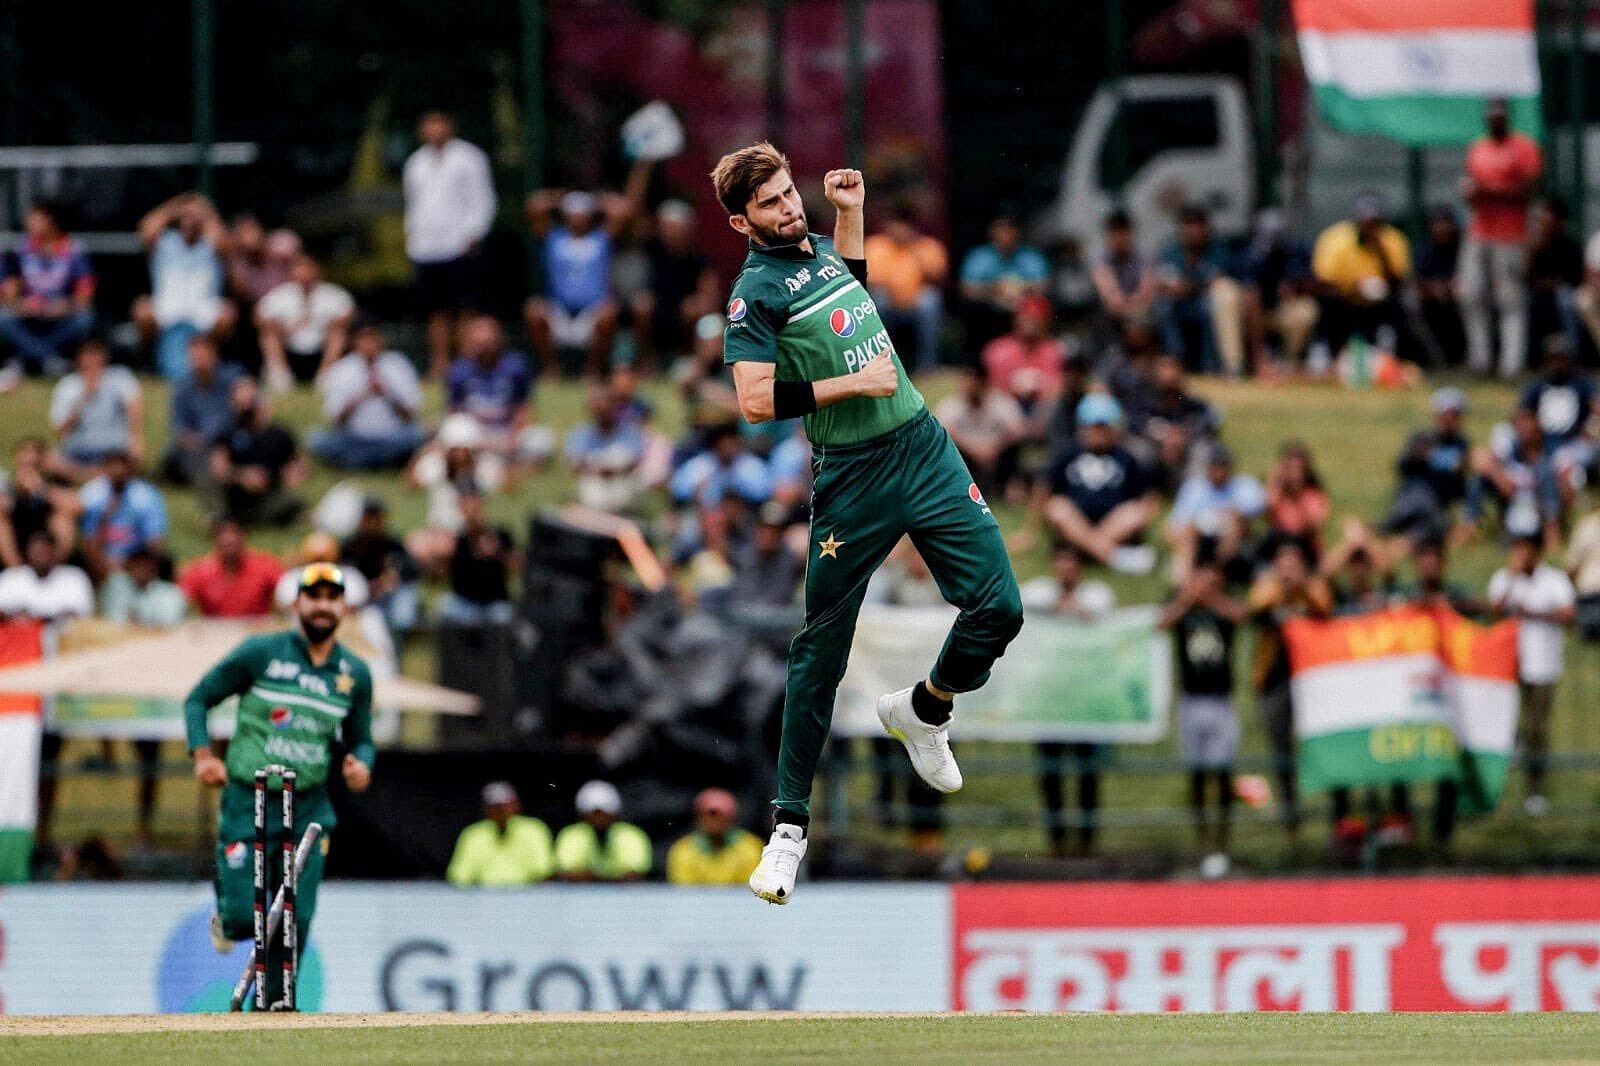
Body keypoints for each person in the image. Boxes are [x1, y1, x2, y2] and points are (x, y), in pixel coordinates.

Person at [712, 142, 1023, 903]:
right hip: (852, 477)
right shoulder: (753, 293)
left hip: (922, 446)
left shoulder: (817, 249)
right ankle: (787, 830)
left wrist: (849, 216)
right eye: (772, 204)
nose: (789, 209)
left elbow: (847, 296)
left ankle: (923, 709)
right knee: (819, 651)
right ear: (739, 222)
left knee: (1000, 609)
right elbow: (753, 402)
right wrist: (855, 380)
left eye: (790, 195)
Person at [183, 563, 374, 1008]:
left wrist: (361, 764)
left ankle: (270, 1008)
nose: (323, 605)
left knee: (295, 916)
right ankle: (225, 920)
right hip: (246, 801)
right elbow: (198, 698)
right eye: (314, 595)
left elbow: (362, 739)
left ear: (343, 606)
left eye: (332, 597)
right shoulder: (262, 653)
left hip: (308, 807)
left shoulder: (354, 673)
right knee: (241, 917)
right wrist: (203, 755)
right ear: (296, 603)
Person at [1019, 542, 1114, 858]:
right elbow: (1022, 605)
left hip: (1085, 700)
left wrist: (1071, 609)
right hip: (1050, 698)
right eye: (1061, 562)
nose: (1066, 569)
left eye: (1071, 563)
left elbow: (1104, 619)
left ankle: (1088, 842)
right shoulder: (1038, 591)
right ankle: (1056, 841)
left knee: (1088, 774)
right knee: (1051, 775)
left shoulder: (1097, 594)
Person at [1159, 556, 1245, 878]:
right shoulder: (1185, 612)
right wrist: (1186, 598)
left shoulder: (1221, 611)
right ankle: (1202, 842)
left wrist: (1210, 598)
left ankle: (1222, 843)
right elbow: (1162, 622)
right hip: (1191, 700)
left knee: (1223, 774)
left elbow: (1240, 616)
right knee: (1196, 775)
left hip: (1221, 700)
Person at [523, 163, 650, 377]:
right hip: (559, 311)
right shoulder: (553, 238)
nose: (578, 217)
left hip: (592, 314)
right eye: (573, 212)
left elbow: (625, 210)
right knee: (533, 309)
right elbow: (534, 205)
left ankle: (593, 369)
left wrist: (597, 200)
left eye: (582, 212)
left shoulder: (602, 239)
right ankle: (551, 368)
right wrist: (562, 197)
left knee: (609, 311)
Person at [1248, 535, 1333, 839]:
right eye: (1282, 564)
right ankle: (1291, 819)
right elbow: (1255, 608)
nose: (1287, 569)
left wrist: (1302, 590)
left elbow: (1325, 609)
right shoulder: (1267, 586)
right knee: (1282, 751)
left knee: (1323, 745)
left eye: (1293, 563)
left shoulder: (1314, 587)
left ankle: (1332, 815)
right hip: (1275, 681)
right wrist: (1282, 588)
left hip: (1312, 680)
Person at [403, 111, 496, 377]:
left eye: (438, 123)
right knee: (436, 311)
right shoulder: (416, 162)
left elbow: (483, 199)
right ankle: (440, 364)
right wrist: (413, 238)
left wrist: (475, 233)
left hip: (460, 244)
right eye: (428, 124)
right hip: (426, 247)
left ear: (449, 126)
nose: (434, 130)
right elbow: (413, 204)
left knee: (466, 308)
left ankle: (466, 362)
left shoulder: (469, 158)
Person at [1489, 534, 1575, 817]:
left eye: (1523, 547)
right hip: (1510, 666)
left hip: (1543, 666)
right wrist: (1513, 579)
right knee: (1505, 727)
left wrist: (1532, 613)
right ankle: (1498, 790)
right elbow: (1494, 612)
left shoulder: (1554, 580)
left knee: (1537, 729)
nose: (1518, 553)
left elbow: (1567, 615)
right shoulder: (1504, 578)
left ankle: (1535, 790)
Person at [1458, 97, 1542, 378]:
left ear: (1507, 117)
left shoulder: (1523, 148)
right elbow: (1471, 189)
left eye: (1499, 114)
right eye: (1490, 115)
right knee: (1470, 294)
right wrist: (1471, 193)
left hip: (1510, 235)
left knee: (1510, 299)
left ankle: (1511, 364)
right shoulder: (1478, 148)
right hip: (1479, 231)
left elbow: (1527, 191)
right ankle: (1480, 360)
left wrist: (1489, 190)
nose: (1495, 119)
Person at [1042, 393, 1159, 575]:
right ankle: (1115, 557)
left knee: (1134, 512)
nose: (1098, 434)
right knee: (1058, 508)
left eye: (1103, 428)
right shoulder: (1068, 455)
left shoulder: (1126, 459)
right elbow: (1048, 491)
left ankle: (1088, 550)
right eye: (1093, 428)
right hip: (1076, 521)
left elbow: (1144, 498)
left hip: (1112, 524)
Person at [133, 193, 236, 380]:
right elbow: (146, 229)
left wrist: (204, 211)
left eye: (193, 218)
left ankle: (211, 362)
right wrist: (176, 206)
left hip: (202, 310)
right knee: (142, 309)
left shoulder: (211, 245)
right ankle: (147, 362)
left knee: (227, 314)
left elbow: (223, 242)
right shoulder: (165, 243)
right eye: (185, 217)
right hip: (167, 308)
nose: (188, 221)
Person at [311, 319, 426, 470]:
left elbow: (411, 416)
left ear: (381, 339)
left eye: (373, 338)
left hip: (391, 436)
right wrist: (360, 398)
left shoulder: (398, 364)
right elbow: (336, 422)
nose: (369, 343)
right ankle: (380, 461)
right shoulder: (342, 369)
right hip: (354, 438)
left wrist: (387, 395)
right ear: (355, 341)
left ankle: (361, 461)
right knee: (316, 439)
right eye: (364, 338)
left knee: (417, 435)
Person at [0, 200, 96, 378]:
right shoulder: (19, 249)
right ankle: (51, 361)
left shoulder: (74, 249)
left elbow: (85, 296)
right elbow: (7, 295)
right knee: (3, 318)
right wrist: (24, 304)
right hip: (29, 315)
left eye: (34, 217)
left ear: (50, 220)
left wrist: (63, 306)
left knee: (84, 319)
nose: (28, 222)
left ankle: (29, 360)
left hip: (62, 314)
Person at [1311, 193, 1411, 357]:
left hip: (1379, 302)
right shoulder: (1335, 237)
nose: (1369, 227)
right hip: (1343, 299)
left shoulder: (1393, 239)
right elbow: (1322, 281)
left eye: (1374, 222)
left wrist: (1380, 251)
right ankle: (1326, 354)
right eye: (1366, 221)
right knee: (1327, 306)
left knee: (1398, 307)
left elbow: (1397, 281)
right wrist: (1352, 288)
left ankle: (1391, 356)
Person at [631, 199, 720, 369]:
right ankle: (646, 360)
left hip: (686, 312)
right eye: (668, 227)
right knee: (641, 306)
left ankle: (689, 360)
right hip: (658, 309)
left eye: (677, 227)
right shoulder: (651, 251)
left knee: (693, 309)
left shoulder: (698, 257)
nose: (672, 232)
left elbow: (710, 293)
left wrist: (699, 302)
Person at [446, 315, 546, 466]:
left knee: (541, 439)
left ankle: (502, 464)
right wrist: (480, 439)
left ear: (498, 341)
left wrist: (512, 437)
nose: (484, 349)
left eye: (488, 343)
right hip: (476, 436)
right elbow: (454, 413)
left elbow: (523, 408)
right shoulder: (459, 370)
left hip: (507, 433)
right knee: (454, 428)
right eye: (479, 344)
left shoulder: (515, 366)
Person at [1381, 386, 1472, 551]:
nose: (1449, 419)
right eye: (1446, 414)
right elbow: (1401, 465)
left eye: (1455, 415)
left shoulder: (1462, 445)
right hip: (1412, 499)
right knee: (1400, 524)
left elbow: (1460, 485)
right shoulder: (1421, 438)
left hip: (1437, 506)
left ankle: (1401, 544)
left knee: (1434, 526)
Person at [207, 375, 305, 526]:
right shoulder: (227, 432)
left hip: (268, 493)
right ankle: (226, 519)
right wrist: (241, 476)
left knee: (292, 500)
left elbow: (296, 465)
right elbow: (218, 468)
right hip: (235, 494)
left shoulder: (279, 434)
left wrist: (284, 477)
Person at [1155, 206, 1242, 374]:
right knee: (1163, 307)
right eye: (1189, 225)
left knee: (1209, 307)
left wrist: (1188, 286)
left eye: (1198, 225)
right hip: (1178, 304)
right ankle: (1176, 361)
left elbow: (1216, 278)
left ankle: (1210, 365)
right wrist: (1176, 287)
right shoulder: (1171, 250)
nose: (1194, 231)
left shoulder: (1217, 249)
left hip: (1202, 302)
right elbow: (1163, 281)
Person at [864, 203, 948, 371]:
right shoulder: (876, 245)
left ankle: (927, 366)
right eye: (896, 224)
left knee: (931, 300)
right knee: (879, 298)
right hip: (888, 302)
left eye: (905, 225)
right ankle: (881, 364)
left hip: (916, 303)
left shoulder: (927, 246)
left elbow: (936, 279)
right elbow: (870, 281)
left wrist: (915, 251)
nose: (900, 230)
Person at [254, 253, 355, 389]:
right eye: (300, 268)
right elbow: (259, 317)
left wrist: (328, 325)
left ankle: (326, 378)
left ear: (317, 270)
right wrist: (281, 328)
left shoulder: (333, 294)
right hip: (290, 352)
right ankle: (281, 379)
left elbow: (349, 314)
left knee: (338, 333)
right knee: (269, 334)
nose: (304, 273)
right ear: (292, 272)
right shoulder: (280, 295)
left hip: (321, 351)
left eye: (308, 267)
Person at [1165, 445, 1264, 583]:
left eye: (1222, 466)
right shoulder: (1194, 487)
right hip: (1201, 538)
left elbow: (1257, 508)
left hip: (1236, 541)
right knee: (1186, 531)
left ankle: (1215, 571)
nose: (1219, 472)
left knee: (1235, 522)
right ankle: (1181, 584)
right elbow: (1174, 524)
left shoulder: (1244, 485)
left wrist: (1227, 516)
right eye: (1215, 466)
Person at [49, 339, 143, 481]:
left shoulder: (120, 378)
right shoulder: (67, 386)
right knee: (50, 459)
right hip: (79, 449)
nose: (93, 367)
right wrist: (82, 400)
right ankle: (100, 475)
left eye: (97, 362)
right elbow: (61, 430)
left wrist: (136, 439)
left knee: (130, 458)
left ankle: (87, 476)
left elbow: (135, 407)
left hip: (113, 448)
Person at [1241, 209, 1318, 370]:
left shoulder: (1297, 252)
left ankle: (1289, 364)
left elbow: (1315, 284)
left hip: (1282, 311)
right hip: (1256, 313)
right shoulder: (1252, 256)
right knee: (1249, 306)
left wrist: (1296, 286)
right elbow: (1251, 300)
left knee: (1306, 310)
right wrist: (1259, 358)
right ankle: (1245, 364)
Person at [935, 366, 1025, 500]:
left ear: (984, 382)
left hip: (996, 454)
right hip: (966, 457)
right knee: (948, 449)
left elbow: (1017, 431)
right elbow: (943, 433)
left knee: (1014, 448)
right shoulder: (950, 406)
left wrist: (993, 448)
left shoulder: (1002, 402)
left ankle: (1011, 486)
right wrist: (975, 450)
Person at [959, 213, 1049, 349]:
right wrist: (996, 290)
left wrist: (1016, 291)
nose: (1005, 234)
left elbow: (1043, 286)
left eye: (1009, 229)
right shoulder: (979, 256)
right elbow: (966, 289)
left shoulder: (1031, 256)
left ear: (1017, 232)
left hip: (1022, 307)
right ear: (992, 231)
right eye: (1001, 228)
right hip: (989, 309)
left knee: (1035, 309)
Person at [162, 333, 241, 486]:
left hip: (230, 446)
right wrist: (207, 449)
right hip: (200, 448)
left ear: (214, 355)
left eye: (202, 355)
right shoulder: (182, 388)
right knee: (173, 456)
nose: (197, 360)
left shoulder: (232, 380)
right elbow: (181, 433)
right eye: (194, 356)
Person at [78, 449, 168, 582]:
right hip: (101, 561)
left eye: (122, 464)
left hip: (135, 561)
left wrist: (133, 566)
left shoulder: (146, 495)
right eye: (113, 464)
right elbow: (88, 538)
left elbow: (155, 541)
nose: (117, 470)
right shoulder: (92, 493)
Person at [446, 781, 555, 887]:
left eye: (505, 805)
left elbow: (545, 872)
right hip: (482, 897)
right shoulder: (473, 834)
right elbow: (459, 876)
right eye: (495, 806)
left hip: (527, 896)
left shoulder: (534, 829)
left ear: (516, 804)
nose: (501, 810)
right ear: (486, 808)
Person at [341, 497, 421, 639]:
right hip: (364, 597)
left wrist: (394, 577)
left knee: (402, 614)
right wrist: (369, 586)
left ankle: (398, 637)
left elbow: (412, 571)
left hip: (390, 595)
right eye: (368, 517)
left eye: (376, 517)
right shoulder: (350, 545)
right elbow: (345, 576)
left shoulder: (392, 544)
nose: (372, 523)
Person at [565, 379, 648, 514]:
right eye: (597, 403)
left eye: (607, 402)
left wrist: (612, 470)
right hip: (593, 483)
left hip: (621, 482)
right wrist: (597, 470)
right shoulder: (580, 434)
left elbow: (634, 462)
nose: (602, 407)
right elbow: (575, 465)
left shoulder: (630, 432)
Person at [438, 487, 516, 625]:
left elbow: (518, 566)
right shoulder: (455, 540)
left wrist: (498, 553)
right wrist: (442, 558)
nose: (471, 510)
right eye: (466, 505)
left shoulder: (500, 534)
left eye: (474, 504)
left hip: (495, 602)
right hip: (465, 602)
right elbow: (439, 577)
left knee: (504, 618)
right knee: (445, 607)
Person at [179, 518, 284, 617]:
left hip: (257, 630)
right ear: (214, 539)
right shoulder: (201, 571)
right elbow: (178, 600)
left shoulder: (266, 567)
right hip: (215, 632)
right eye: (223, 534)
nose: (228, 539)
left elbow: (289, 591)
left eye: (233, 533)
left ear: (243, 536)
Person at [0, 437, 79, 568]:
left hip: (47, 535)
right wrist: (17, 492)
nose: (30, 457)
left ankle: (54, 570)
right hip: (17, 535)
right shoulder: (7, 484)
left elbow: (76, 507)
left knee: (63, 520)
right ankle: (17, 572)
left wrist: (42, 489)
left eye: (35, 452)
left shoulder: (53, 483)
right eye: (25, 452)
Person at [981, 295, 1066, 415]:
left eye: (1035, 319)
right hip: (1009, 409)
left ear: (1045, 322)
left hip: (1041, 408)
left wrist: (1036, 391)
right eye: (1025, 318)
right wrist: (1015, 390)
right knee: (998, 402)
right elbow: (992, 388)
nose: (1029, 324)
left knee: (1054, 404)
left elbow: (1058, 388)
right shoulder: (998, 349)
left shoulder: (1055, 350)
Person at [553, 780, 652, 882]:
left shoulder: (631, 835)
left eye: (604, 814)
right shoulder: (572, 835)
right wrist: (610, 877)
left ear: (615, 813)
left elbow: (635, 874)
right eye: (594, 814)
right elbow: (565, 873)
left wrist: (592, 876)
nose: (599, 819)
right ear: (583, 815)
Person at [666, 787, 764, 886]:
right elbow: (684, 893)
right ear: (699, 816)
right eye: (710, 814)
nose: (714, 821)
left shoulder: (751, 848)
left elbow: (750, 891)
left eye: (721, 815)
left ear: (731, 817)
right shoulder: (682, 850)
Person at [1525, 198, 1586, 358]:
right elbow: (1527, 277)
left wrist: (1553, 284)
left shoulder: (1570, 245)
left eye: (1548, 216)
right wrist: (1534, 249)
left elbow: (1574, 279)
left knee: (1565, 300)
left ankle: (1572, 355)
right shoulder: (1536, 246)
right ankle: (1530, 355)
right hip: (1537, 294)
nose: (1544, 221)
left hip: (1562, 293)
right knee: (1522, 300)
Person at [1090, 210, 1156, 332]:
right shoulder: (1100, 261)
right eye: (1114, 232)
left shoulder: (1144, 258)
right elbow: (1113, 300)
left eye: (1123, 232)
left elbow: (1147, 294)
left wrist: (1136, 310)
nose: (1119, 238)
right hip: (1114, 319)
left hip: (1142, 316)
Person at [1415, 207, 1465, 367]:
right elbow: (1417, 281)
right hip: (1431, 300)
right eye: (1437, 224)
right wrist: (1436, 289)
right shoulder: (1424, 249)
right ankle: (1435, 360)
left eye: (1446, 223)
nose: (1442, 228)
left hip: (1458, 298)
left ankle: (1465, 358)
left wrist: (1451, 288)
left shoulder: (1464, 248)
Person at [99, 545, 186, 627]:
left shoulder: (168, 592)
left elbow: (168, 622)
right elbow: (114, 619)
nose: (144, 569)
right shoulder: (116, 584)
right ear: (129, 564)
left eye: (149, 565)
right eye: (139, 564)